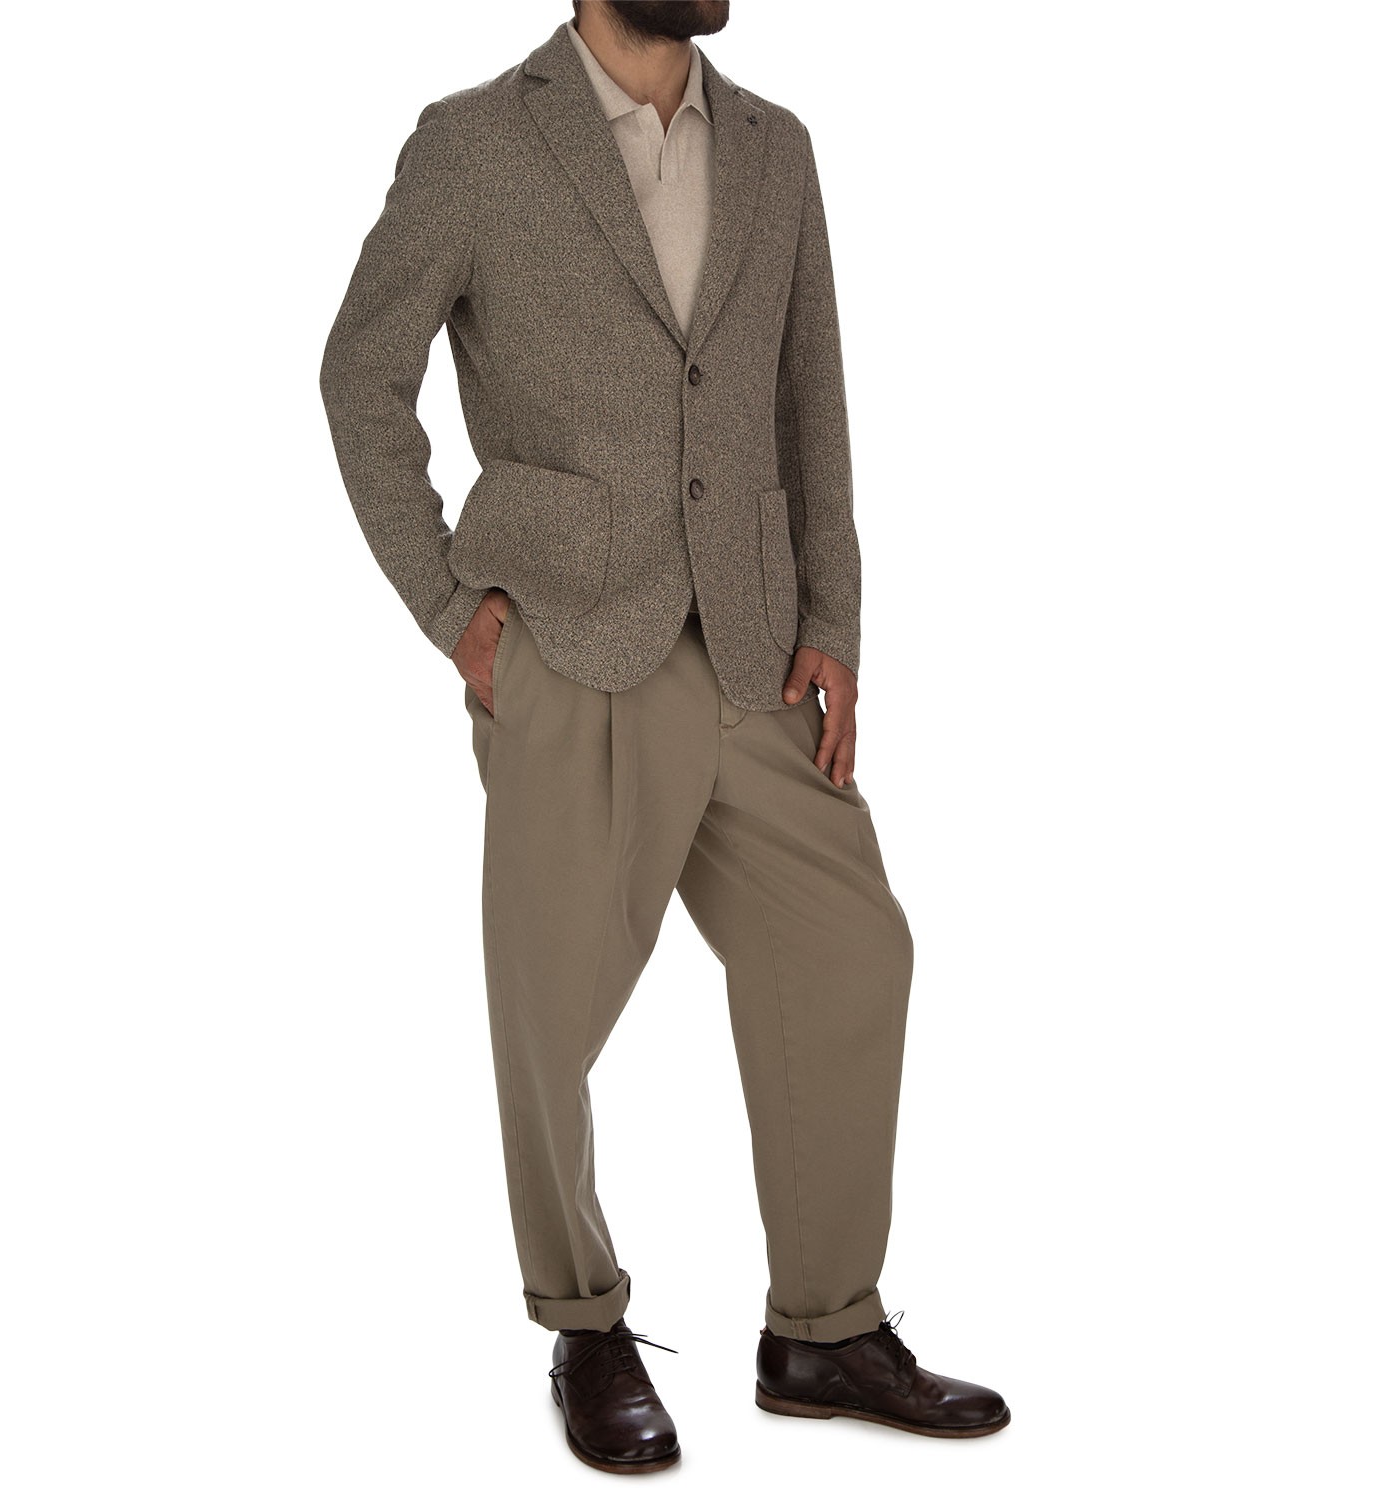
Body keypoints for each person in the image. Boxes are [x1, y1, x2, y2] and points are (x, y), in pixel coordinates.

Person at [319, 0, 1008, 1473]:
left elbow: (813, 403)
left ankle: (822, 1330)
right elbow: (359, 376)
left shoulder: (776, 148)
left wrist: (836, 622)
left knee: (852, 950)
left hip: (753, 639)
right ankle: (584, 1322)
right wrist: (450, 610)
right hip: (569, 636)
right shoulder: (473, 144)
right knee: (549, 1011)